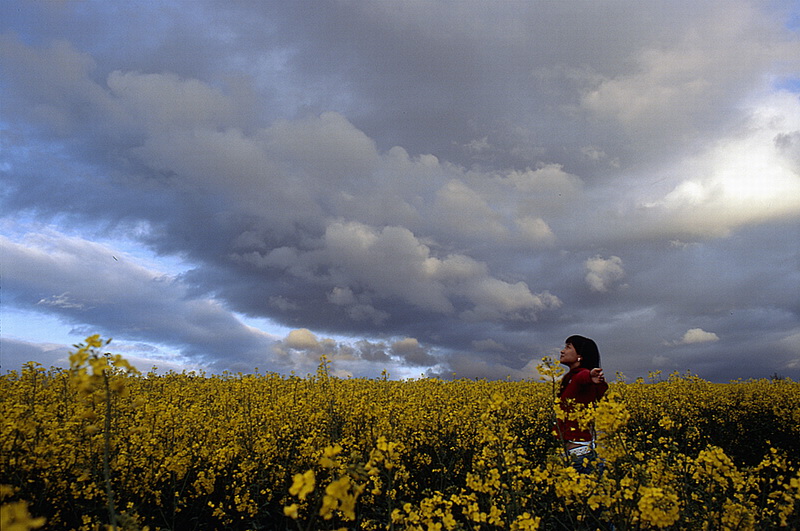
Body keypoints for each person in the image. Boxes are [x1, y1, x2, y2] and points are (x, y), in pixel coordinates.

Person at [554, 335, 608, 472]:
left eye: (568, 347)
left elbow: (584, 377)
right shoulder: (570, 377)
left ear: (580, 356)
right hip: (573, 454)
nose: (562, 351)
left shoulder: (581, 375)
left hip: (581, 455)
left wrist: (591, 375)